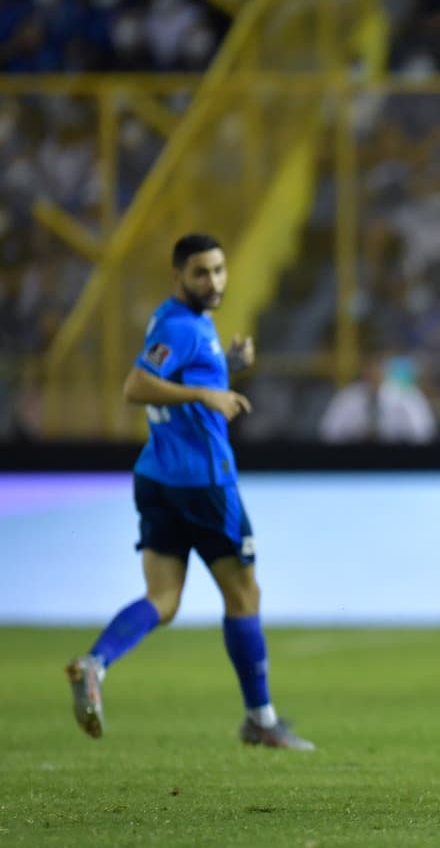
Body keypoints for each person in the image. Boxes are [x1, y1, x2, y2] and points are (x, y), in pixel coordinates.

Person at [64, 233, 314, 751]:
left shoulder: (175, 321)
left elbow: (179, 370)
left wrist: (228, 366)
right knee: (244, 594)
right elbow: (136, 386)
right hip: (204, 484)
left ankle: (96, 663)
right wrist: (205, 391)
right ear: (178, 275)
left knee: (164, 599)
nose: (214, 281)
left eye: (219, 270)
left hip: (157, 477)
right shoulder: (182, 327)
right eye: (202, 273)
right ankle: (260, 719)